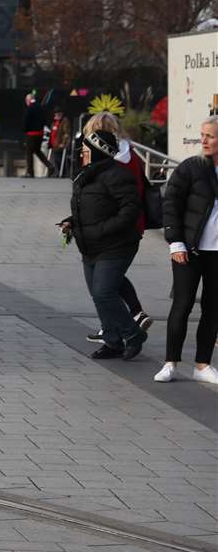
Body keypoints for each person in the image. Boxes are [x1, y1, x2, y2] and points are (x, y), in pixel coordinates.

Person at [61, 127, 148, 360]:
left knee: (103, 292)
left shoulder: (117, 175)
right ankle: (112, 342)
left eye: (87, 151)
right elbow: (87, 208)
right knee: (98, 294)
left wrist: (102, 230)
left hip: (117, 245)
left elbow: (130, 210)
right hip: (90, 244)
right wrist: (71, 223)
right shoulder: (85, 174)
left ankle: (133, 335)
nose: (82, 154)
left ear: (99, 151)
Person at [81, 113, 153, 344]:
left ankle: (126, 324)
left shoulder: (115, 161)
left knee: (105, 283)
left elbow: (124, 200)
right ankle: (124, 320)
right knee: (108, 279)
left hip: (117, 229)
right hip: (119, 227)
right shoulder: (128, 154)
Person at [156, 115, 218, 384]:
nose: (203, 140)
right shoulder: (191, 168)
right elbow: (171, 204)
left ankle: (202, 365)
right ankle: (170, 363)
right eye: (202, 135)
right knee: (182, 305)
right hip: (189, 251)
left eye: (210, 136)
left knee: (213, 308)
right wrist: (175, 242)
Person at [23, 94, 50, 178]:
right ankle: (50, 165)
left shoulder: (29, 108)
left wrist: (25, 131)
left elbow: (26, 121)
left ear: (28, 100)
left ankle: (30, 172)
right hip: (40, 133)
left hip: (31, 134)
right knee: (37, 151)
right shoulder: (40, 107)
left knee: (29, 153)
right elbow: (45, 120)